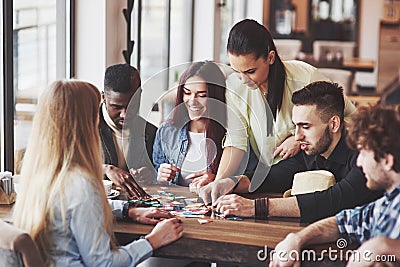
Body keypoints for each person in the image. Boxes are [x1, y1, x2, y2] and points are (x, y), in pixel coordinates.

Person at [13, 80, 183, 266]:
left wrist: (127, 210)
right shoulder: (82, 185)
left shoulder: (37, 174)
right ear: (86, 122)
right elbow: (104, 264)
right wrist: (153, 240)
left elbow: (71, 209)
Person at [192, 19, 357, 189]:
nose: (242, 79)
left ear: (270, 57)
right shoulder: (234, 87)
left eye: (250, 71)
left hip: (310, 175)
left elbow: (350, 117)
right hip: (268, 176)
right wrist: (219, 183)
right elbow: (236, 142)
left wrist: (298, 139)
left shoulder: (305, 76)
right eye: (236, 71)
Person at [204, 81, 381, 223]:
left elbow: (334, 200)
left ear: (334, 124)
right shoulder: (312, 151)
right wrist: (232, 182)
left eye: (306, 126)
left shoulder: (366, 156)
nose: (297, 136)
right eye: (295, 126)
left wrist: (253, 207)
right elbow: (276, 175)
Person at [270, 105, 400, 267]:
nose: (359, 162)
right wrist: (297, 238)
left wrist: (382, 246)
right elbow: (342, 222)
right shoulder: (386, 204)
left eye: (364, 154)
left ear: (387, 161)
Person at [153, 61, 227, 187]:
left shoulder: (231, 134)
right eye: (187, 93)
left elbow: (245, 178)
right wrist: (159, 178)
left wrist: (218, 180)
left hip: (214, 204)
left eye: (202, 95)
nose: (193, 101)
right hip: (176, 204)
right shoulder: (167, 131)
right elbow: (157, 182)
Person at [100, 64, 157, 198]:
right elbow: (68, 169)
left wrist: (150, 174)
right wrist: (105, 169)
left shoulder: (151, 132)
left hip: (140, 210)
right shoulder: (85, 128)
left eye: (132, 105)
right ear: (103, 97)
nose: (124, 114)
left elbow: (159, 172)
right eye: (116, 107)